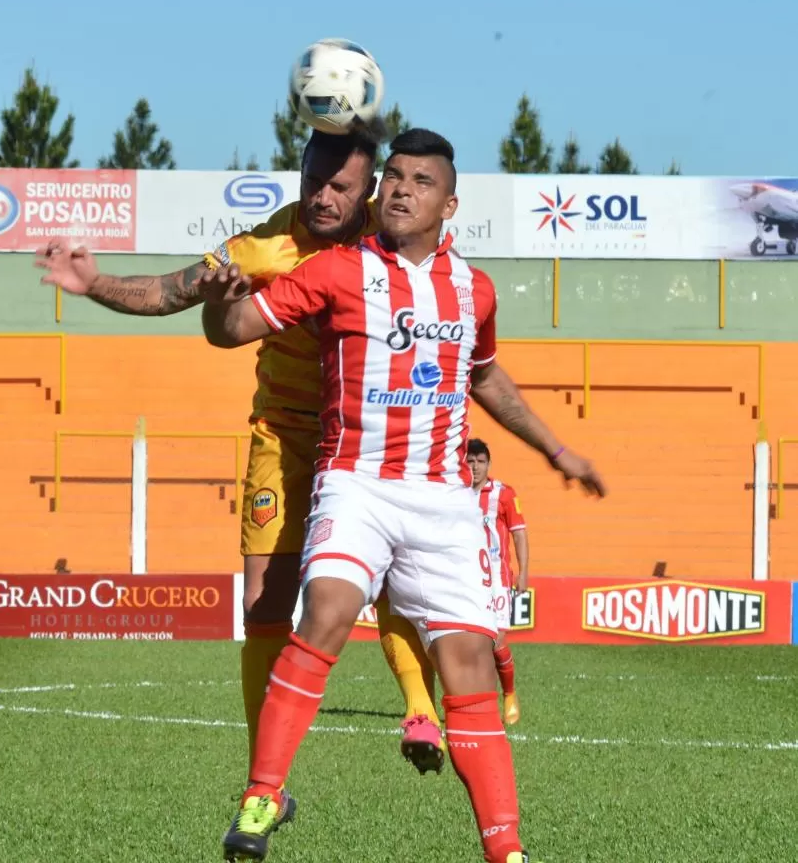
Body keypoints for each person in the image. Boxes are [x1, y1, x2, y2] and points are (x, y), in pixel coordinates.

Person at [200, 128, 606, 863]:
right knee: (326, 608)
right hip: (356, 481)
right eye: (391, 177)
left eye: (419, 181)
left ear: (449, 203)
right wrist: (217, 304)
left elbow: (483, 376)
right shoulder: (336, 270)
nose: (399, 190)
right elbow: (232, 330)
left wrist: (556, 448)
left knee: (468, 665)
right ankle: (262, 797)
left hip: (444, 499)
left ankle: (506, 850)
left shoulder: (473, 290)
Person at [32, 131, 446, 796]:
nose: (323, 197)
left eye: (341, 187)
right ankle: (266, 782)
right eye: (314, 181)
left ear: (367, 190)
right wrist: (94, 282)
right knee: (262, 605)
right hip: (284, 435)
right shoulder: (263, 248)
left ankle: (420, 710)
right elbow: (171, 291)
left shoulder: (386, 234)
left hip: (368, 437)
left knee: (396, 580)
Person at [467, 438, 529, 725]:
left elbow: (519, 533)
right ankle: (477, 702)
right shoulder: (455, 493)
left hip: (497, 578)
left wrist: (524, 572)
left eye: (480, 461)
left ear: (488, 465)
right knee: (469, 642)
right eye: (470, 461)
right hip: (464, 577)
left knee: (498, 641)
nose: (475, 466)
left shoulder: (503, 494)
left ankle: (509, 694)